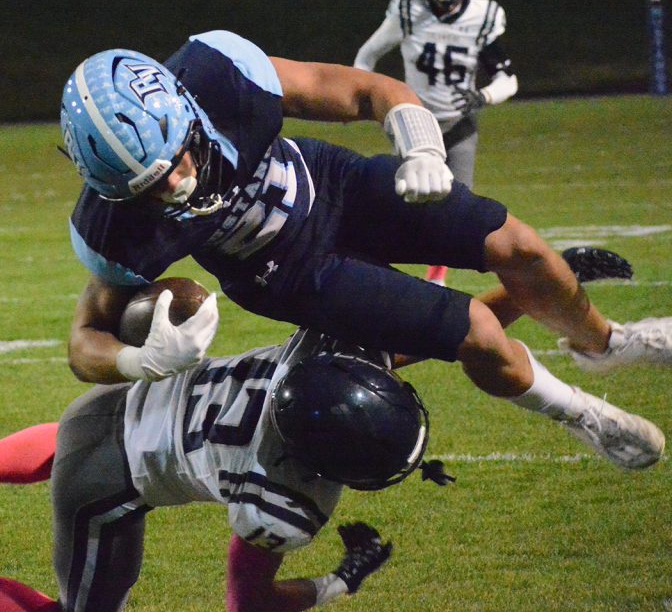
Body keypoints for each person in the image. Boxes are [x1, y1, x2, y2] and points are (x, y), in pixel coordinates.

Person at [59, 30, 667, 475]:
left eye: (176, 160)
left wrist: (420, 145)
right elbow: (84, 340)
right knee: (478, 333)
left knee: (521, 248)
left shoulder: (218, 74)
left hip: (334, 184)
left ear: (183, 108)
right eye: (148, 186)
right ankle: (583, 414)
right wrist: (139, 362)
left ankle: (606, 344)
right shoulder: (114, 227)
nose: (174, 185)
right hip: (288, 272)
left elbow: (364, 88)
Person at [0, 328, 444, 612]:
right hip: (104, 488)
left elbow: (434, 335)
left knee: (79, 437)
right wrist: (340, 582)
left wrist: (506, 301)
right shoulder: (285, 504)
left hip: (103, 405)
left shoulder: (318, 353)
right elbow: (246, 604)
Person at [353, 0, 518, 285]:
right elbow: (366, 57)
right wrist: (367, 97)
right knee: (401, 198)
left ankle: (436, 277)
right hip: (415, 123)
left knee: (455, 204)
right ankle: (373, 263)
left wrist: (483, 95)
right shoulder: (408, 11)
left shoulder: (480, 16)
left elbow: (508, 79)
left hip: (458, 124)